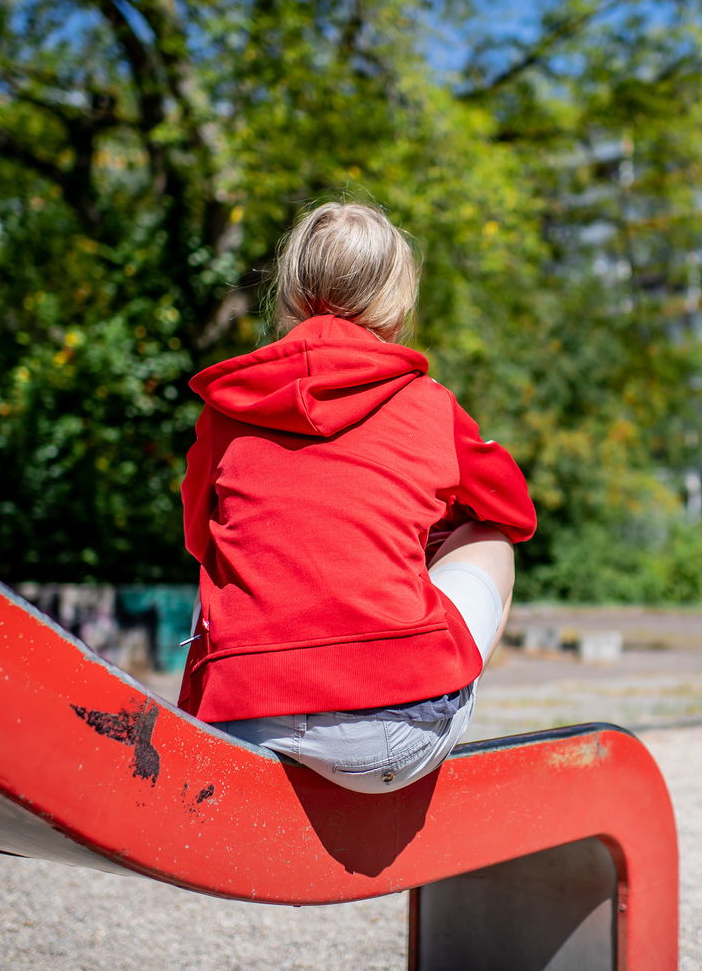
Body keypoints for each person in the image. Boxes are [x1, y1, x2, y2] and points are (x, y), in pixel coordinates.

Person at [176, 201, 536, 794]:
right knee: (490, 538)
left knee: (224, 555)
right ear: (396, 308)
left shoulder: (225, 408)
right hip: (391, 737)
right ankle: (427, 680)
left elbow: (199, 539)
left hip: (242, 725)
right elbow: (512, 510)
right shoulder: (428, 404)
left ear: (288, 296)